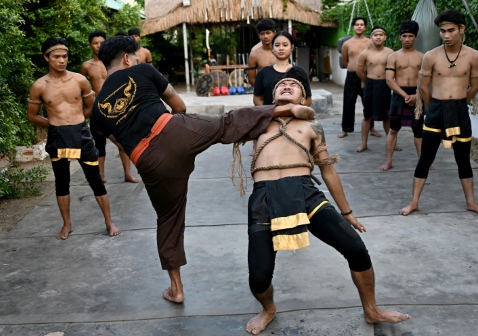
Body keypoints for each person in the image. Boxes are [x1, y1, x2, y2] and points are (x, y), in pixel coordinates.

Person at [90, 36, 317, 304]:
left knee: (168, 219)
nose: (138, 60)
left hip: (149, 162)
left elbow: (118, 144)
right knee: (225, 123)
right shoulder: (142, 70)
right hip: (173, 130)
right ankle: (284, 111)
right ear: (128, 58)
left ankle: (176, 289)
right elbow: (180, 107)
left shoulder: (96, 112)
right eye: (136, 57)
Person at [244, 72, 411, 335]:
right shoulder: (258, 121)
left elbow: (328, 171)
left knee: (355, 248)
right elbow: (234, 120)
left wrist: (347, 212)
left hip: (304, 190)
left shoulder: (312, 127)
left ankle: (371, 308)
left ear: (305, 99)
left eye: (293, 86)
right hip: (264, 197)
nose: (286, 86)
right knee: (259, 276)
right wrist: (285, 109)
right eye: (281, 86)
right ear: (272, 97)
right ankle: (268, 309)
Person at [26, 37, 120, 240]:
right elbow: (32, 115)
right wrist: (52, 124)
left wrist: (77, 121)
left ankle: (109, 221)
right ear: (46, 58)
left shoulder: (79, 80)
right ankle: (66, 225)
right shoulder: (40, 86)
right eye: (56, 56)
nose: (62, 60)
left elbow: (91, 106)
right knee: (62, 181)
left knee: (95, 179)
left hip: (81, 133)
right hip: (58, 135)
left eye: (65, 56)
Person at [399, 9, 478, 216]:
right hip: (436, 109)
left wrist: (459, 104)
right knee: (426, 158)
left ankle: (471, 202)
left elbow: (474, 86)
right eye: (442, 31)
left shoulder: (473, 55)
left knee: (463, 159)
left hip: (459, 109)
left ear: (461, 29)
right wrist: (434, 108)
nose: (446, 35)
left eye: (451, 30)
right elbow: (423, 87)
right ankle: (414, 202)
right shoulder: (431, 56)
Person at [80, 30, 139, 183]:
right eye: (95, 43)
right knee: (99, 144)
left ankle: (128, 174)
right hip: (97, 109)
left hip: (117, 108)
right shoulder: (86, 66)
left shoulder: (114, 61)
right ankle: (101, 175)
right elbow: (81, 86)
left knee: (122, 142)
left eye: (101, 42)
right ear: (90, 45)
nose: (98, 46)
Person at [380, 21, 424, 171]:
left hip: (417, 95)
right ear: (400, 37)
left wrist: (417, 96)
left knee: (418, 131)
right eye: (404, 36)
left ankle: (423, 161)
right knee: (393, 129)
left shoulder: (423, 57)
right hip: (400, 95)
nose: (407, 39)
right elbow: (389, 80)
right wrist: (406, 95)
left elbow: (428, 80)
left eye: (410, 36)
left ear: (415, 38)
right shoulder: (393, 57)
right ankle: (389, 161)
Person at [338, 17, 380, 139]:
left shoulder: (370, 43)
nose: (359, 26)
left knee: (368, 103)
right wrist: (354, 69)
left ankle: (371, 128)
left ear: (365, 27)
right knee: (348, 103)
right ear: (353, 27)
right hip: (351, 76)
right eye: (357, 24)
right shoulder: (347, 43)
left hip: (367, 76)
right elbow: (345, 61)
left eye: (362, 24)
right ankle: (346, 129)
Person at [356, 26, 394, 153]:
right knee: (367, 116)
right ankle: (364, 143)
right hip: (370, 85)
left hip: (385, 85)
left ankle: (392, 143)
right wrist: (368, 81)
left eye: (381, 34)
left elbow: (395, 70)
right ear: (371, 37)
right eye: (375, 34)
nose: (378, 37)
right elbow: (359, 71)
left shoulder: (390, 52)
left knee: (387, 115)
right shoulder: (365, 53)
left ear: (385, 37)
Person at [253, 31, 312, 107]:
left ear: (292, 47)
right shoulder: (263, 73)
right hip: (270, 117)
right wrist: (272, 112)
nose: (281, 48)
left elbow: (308, 99)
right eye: (277, 45)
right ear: (272, 48)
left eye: (285, 45)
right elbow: (257, 100)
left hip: (295, 117)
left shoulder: (300, 72)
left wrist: (293, 112)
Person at [247, 19, 278, 86]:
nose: (265, 36)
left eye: (268, 33)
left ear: (274, 33)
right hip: (263, 92)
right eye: (262, 34)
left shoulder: (281, 51)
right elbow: (251, 80)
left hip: (282, 91)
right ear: (259, 35)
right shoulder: (254, 54)